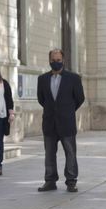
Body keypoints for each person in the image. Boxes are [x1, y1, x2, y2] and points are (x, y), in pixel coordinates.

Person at [36, 49, 85, 192]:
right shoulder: (42, 79)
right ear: (49, 60)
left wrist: (68, 110)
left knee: (70, 153)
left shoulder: (74, 78)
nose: (55, 62)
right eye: (53, 60)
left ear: (63, 60)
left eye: (58, 60)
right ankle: (50, 181)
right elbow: (41, 99)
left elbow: (80, 98)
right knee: (49, 153)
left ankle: (71, 181)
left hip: (67, 122)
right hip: (49, 123)